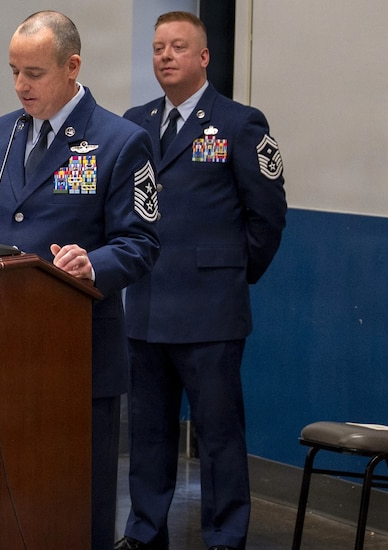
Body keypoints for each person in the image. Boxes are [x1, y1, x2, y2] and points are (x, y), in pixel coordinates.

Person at [0, 11, 160, 549]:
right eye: (14, 71)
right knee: (3, 501)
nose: (20, 85)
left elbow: (141, 242)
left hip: (76, 354)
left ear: (72, 66)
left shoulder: (121, 141)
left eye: (34, 73)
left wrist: (93, 265)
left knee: (75, 505)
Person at [115, 11, 287, 550]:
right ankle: (145, 532)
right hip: (145, 304)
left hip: (210, 310)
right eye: (159, 47)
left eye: (179, 47)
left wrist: (232, 273)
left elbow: (268, 215)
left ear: (204, 57)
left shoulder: (240, 122)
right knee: (147, 436)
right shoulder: (134, 122)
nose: (166, 56)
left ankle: (224, 536)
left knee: (218, 437)